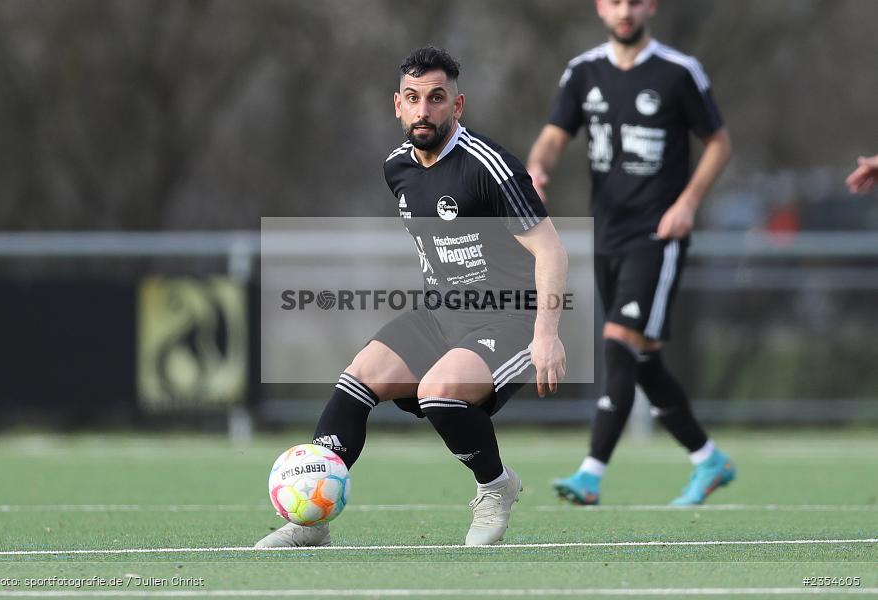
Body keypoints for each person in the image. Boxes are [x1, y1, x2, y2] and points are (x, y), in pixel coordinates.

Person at [256, 46, 568, 547]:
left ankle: (496, 487)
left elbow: (551, 252)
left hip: (507, 320)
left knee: (438, 391)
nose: (424, 110)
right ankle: (310, 522)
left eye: (436, 98)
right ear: (396, 105)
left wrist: (547, 335)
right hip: (439, 315)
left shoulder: (489, 166)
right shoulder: (396, 167)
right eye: (413, 98)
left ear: (457, 106)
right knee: (357, 379)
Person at [526, 0, 734, 506]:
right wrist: (536, 169)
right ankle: (708, 460)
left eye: (634, 1)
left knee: (618, 341)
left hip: (657, 235)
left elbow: (719, 143)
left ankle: (591, 473)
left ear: (651, 7)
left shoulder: (678, 72)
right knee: (644, 363)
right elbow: (554, 136)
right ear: (601, 8)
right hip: (608, 235)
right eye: (615, 1)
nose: (625, 10)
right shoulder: (583, 71)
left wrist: (687, 204)